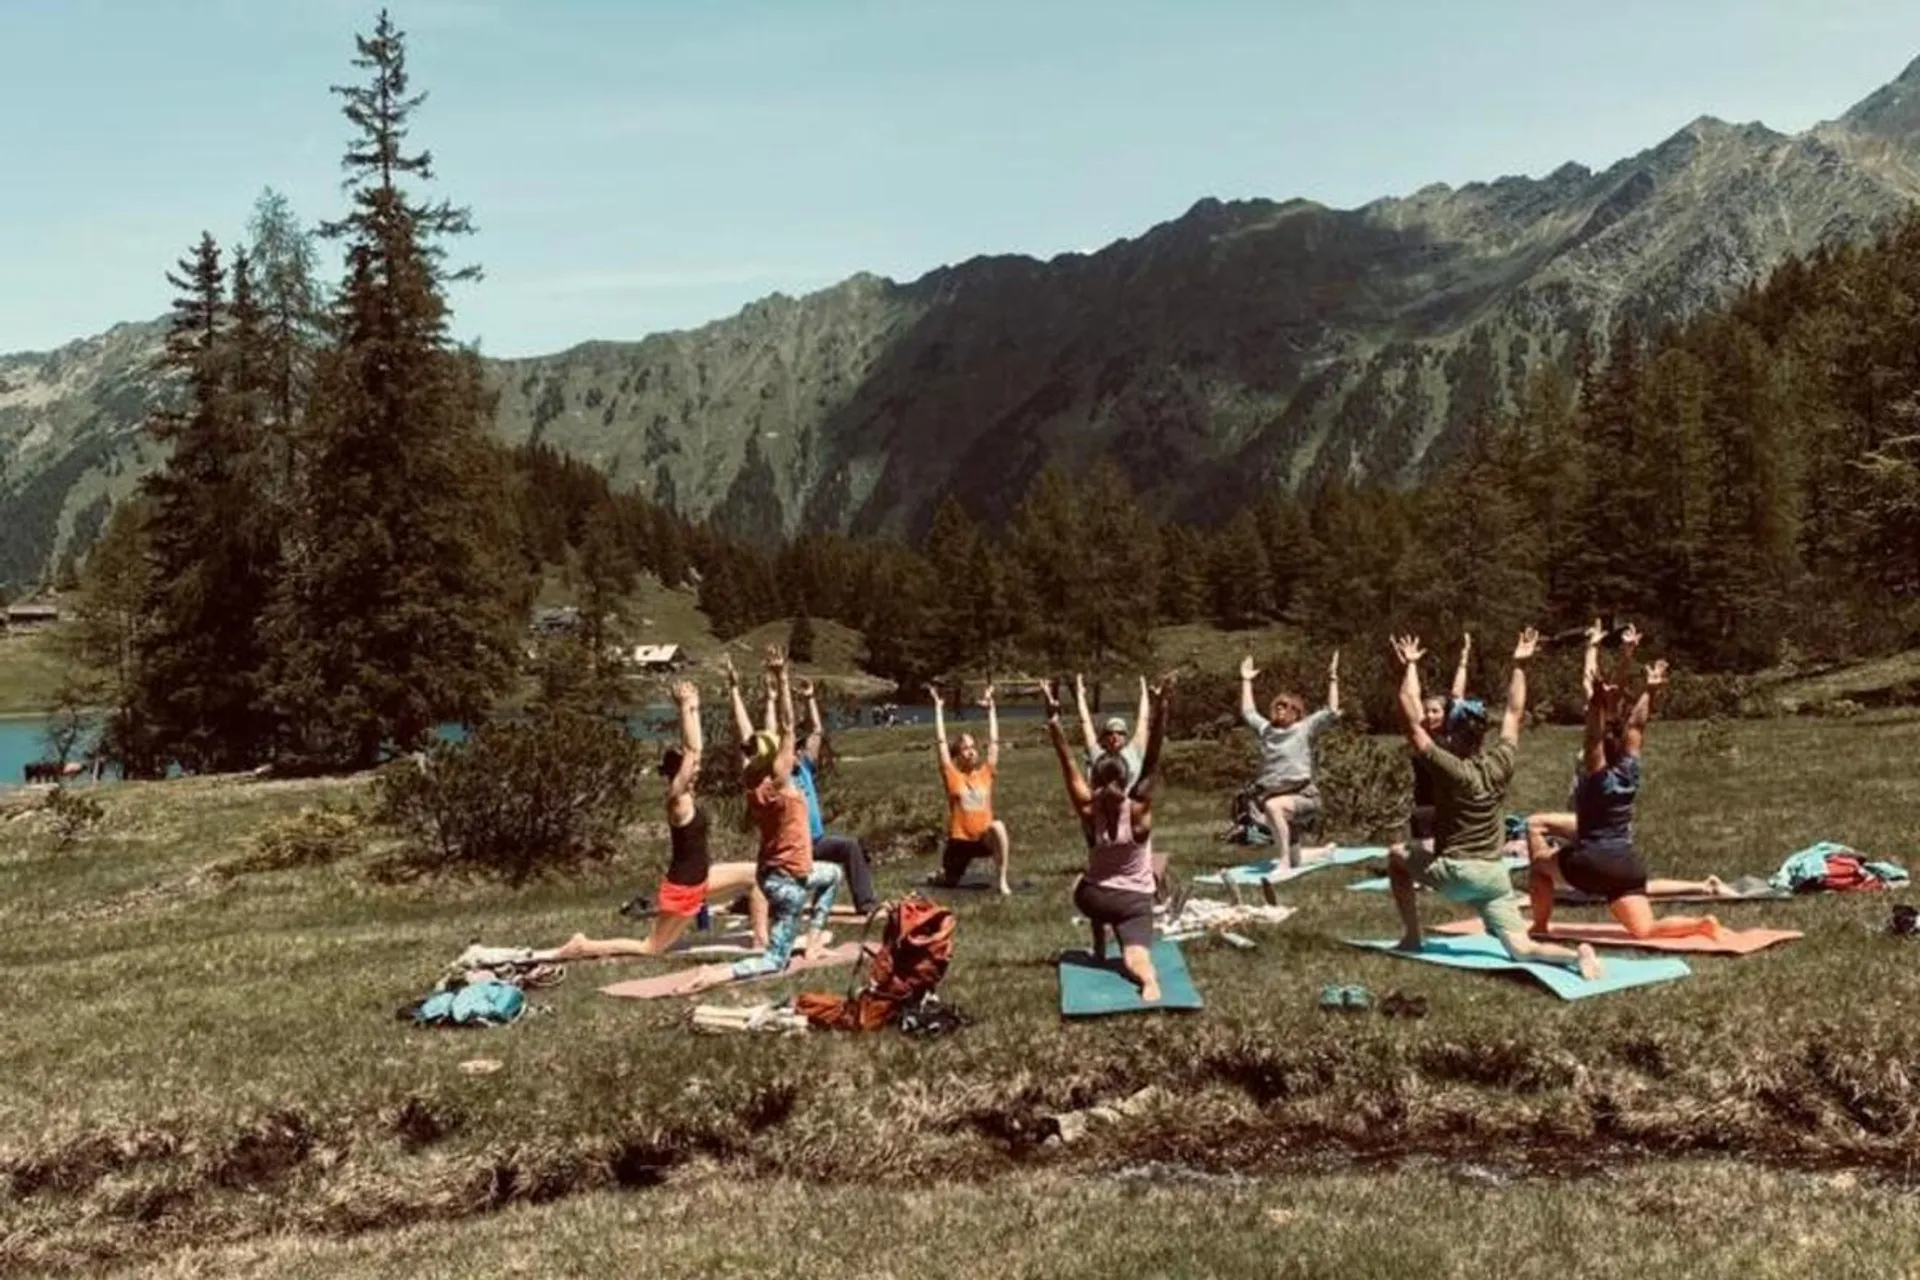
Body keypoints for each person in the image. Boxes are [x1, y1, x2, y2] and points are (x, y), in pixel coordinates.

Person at [1386, 630, 1603, 981]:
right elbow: (1514, 713)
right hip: (1494, 876)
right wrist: (1520, 665)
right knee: (1522, 948)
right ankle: (1575, 957)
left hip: (1458, 872)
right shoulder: (1500, 763)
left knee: (1397, 855)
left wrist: (1407, 668)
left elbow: (1412, 725)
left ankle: (1412, 937)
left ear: (1454, 735)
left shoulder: (1450, 769)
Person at [550, 681, 767, 961]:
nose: (697, 770)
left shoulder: (688, 793)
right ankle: (583, 946)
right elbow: (693, 751)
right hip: (684, 887)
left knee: (757, 874)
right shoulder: (677, 799)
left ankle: (762, 941)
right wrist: (684, 709)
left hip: (701, 877)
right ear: (677, 773)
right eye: (690, 769)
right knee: (651, 947)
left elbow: (696, 753)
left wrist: (695, 707)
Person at [1526, 659, 1729, 936]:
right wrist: (1651, 690)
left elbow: (1593, 740)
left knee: (1539, 866)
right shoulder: (1628, 773)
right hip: (1627, 867)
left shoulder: (1598, 779)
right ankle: (1701, 924)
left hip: (1592, 862)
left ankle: (1539, 926)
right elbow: (1636, 728)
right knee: (1645, 929)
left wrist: (1597, 703)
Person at [689, 647, 842, 988]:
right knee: (774, 960)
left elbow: (749, 736)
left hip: (781, 874)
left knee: (832, 874)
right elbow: (788, 727)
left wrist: (733, 690)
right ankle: (717, 973)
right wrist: (782, 677)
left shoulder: (752, 781)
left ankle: (813, 944)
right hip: (788, 884)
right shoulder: (780, 782)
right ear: (776, 759)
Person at [1042, 677, 1169, 1002]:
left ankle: (1099, 949)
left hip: (1093, 898)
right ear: (1127, 778)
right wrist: (1162, 707)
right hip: (1135, 902)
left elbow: (1067, 762)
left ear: (1095, 780)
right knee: (1135, 957)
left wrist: (1054, 721)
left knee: (1084, 883)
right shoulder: (1139, 812)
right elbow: (1153, 758)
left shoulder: (1088, 810)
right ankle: (1148, 981)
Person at [725, 657, 878, 917]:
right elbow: (756, 733)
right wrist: (737, 692)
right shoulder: (770, 779)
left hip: (815, 842)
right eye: (792, 748)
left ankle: (866, 904)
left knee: (850, 846)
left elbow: (815, 731)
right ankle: (747, 902)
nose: (796, 751)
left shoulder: (803, 767)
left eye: (797, 749)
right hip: (784, 849)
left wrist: (808, 699)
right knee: (779, 892)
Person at [1237, 649, 1341, 868]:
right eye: (1278, 706)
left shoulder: (1304, 728)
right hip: (1274, 795)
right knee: (1296, 856)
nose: (1281, 710)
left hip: (1303, 796)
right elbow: (1248, 712)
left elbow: (1331, 711)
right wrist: (1246, 681)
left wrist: (1333, 679)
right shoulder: (1266, 730)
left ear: (1297, 712)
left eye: (1287, 707)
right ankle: (1320, 853)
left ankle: (1282, 862)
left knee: (1273, 808)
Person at [930, 681, 1012, 895]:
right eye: (965, 748)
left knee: (998, 826)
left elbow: (994, 742)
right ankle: (941, 873)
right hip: (959, 842)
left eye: (973, 747)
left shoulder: (985, 773)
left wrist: (991, 709)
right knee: (949, 883)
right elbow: (940, 743)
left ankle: (1001, 880)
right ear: (957, 755)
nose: (971, 752)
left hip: (983, 840)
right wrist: (938, 709)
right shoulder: (952, 775)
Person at [1410, 633, 1474, 845]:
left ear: (1446, 714)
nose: (1430, 716)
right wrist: (1411, 665)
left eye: (1435, 711)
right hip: (1426, 806)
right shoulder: (1423, 734)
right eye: (1427, 711)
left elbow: (1457, 696)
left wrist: (1464, 661)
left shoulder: (1453, 733)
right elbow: (1412, 697)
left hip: (1454, 805)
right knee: (1426, 857)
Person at [1074, 673, 1149, 785]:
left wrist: (1144, 693)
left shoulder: (1134, 752)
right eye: (1110, 733)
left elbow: (1143, 719)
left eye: (1120, 733)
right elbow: (1085, 722)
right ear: (1104, 738)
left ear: (1126, 737)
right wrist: (1080, 696)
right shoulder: (1098, 755)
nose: (1115, 736)